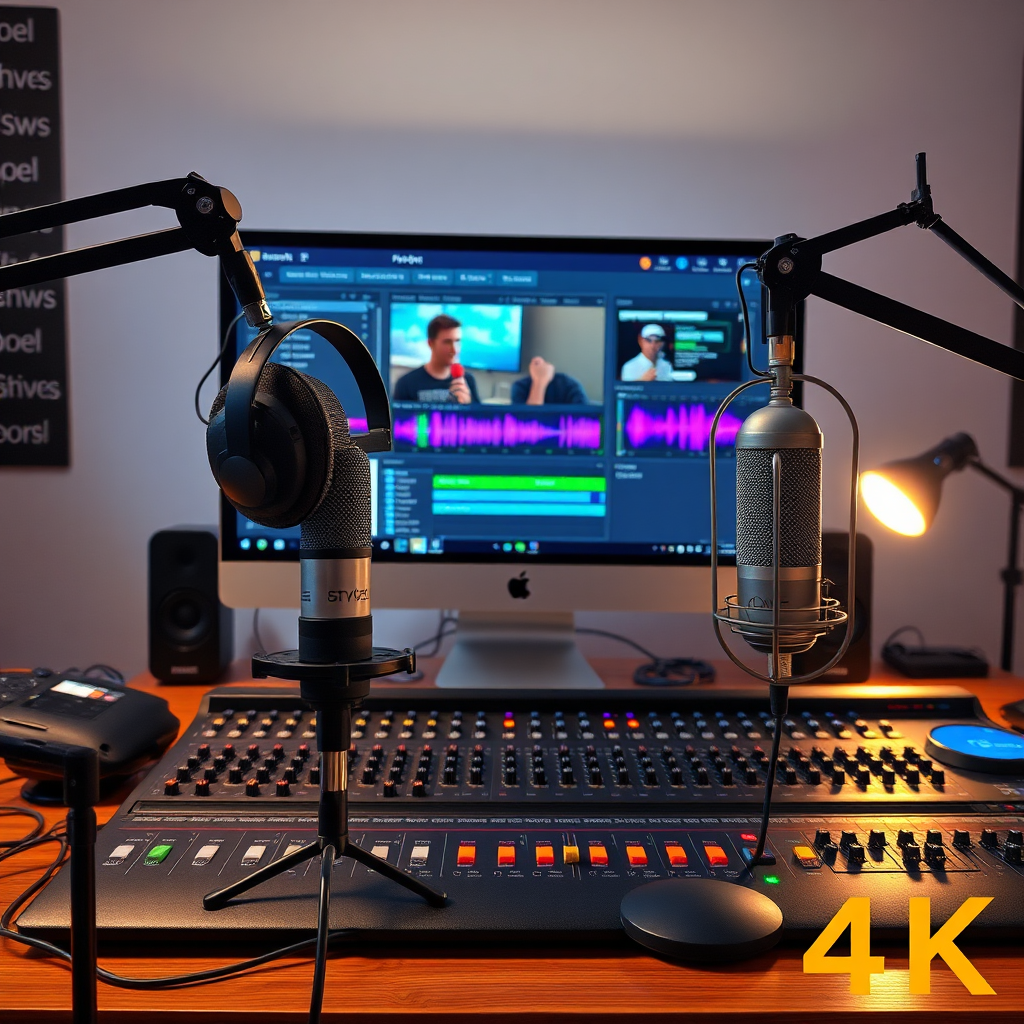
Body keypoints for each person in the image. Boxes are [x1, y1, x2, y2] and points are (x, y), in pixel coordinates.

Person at [392, 314, 480, 403]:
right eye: (447, 342)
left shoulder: (468, 380)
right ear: (430, 343)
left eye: (457, 341)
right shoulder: (406, 383)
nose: (454, 349)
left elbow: (481, 416)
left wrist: (468, 405)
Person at [511, 356, 588, 405]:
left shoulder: (571, 387)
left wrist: (539, 381)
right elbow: (527, 425)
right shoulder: (520, 387)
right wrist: (539, 382)